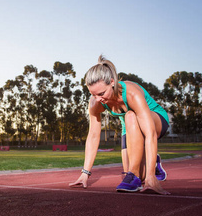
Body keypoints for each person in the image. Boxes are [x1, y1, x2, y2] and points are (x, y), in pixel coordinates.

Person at [69, 55, 170, 194]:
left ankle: (150, 166)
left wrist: (151, 176)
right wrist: (85, 173)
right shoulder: (96, 102)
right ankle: (152, 164)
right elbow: (93, 136)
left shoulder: (131, 94)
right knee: (133, 177)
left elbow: (150, 134)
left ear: (111, 82)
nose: (98, 99)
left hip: (155, 119)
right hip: (128, 126)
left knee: (130, 116)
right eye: (93, 94)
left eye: (101, 93)